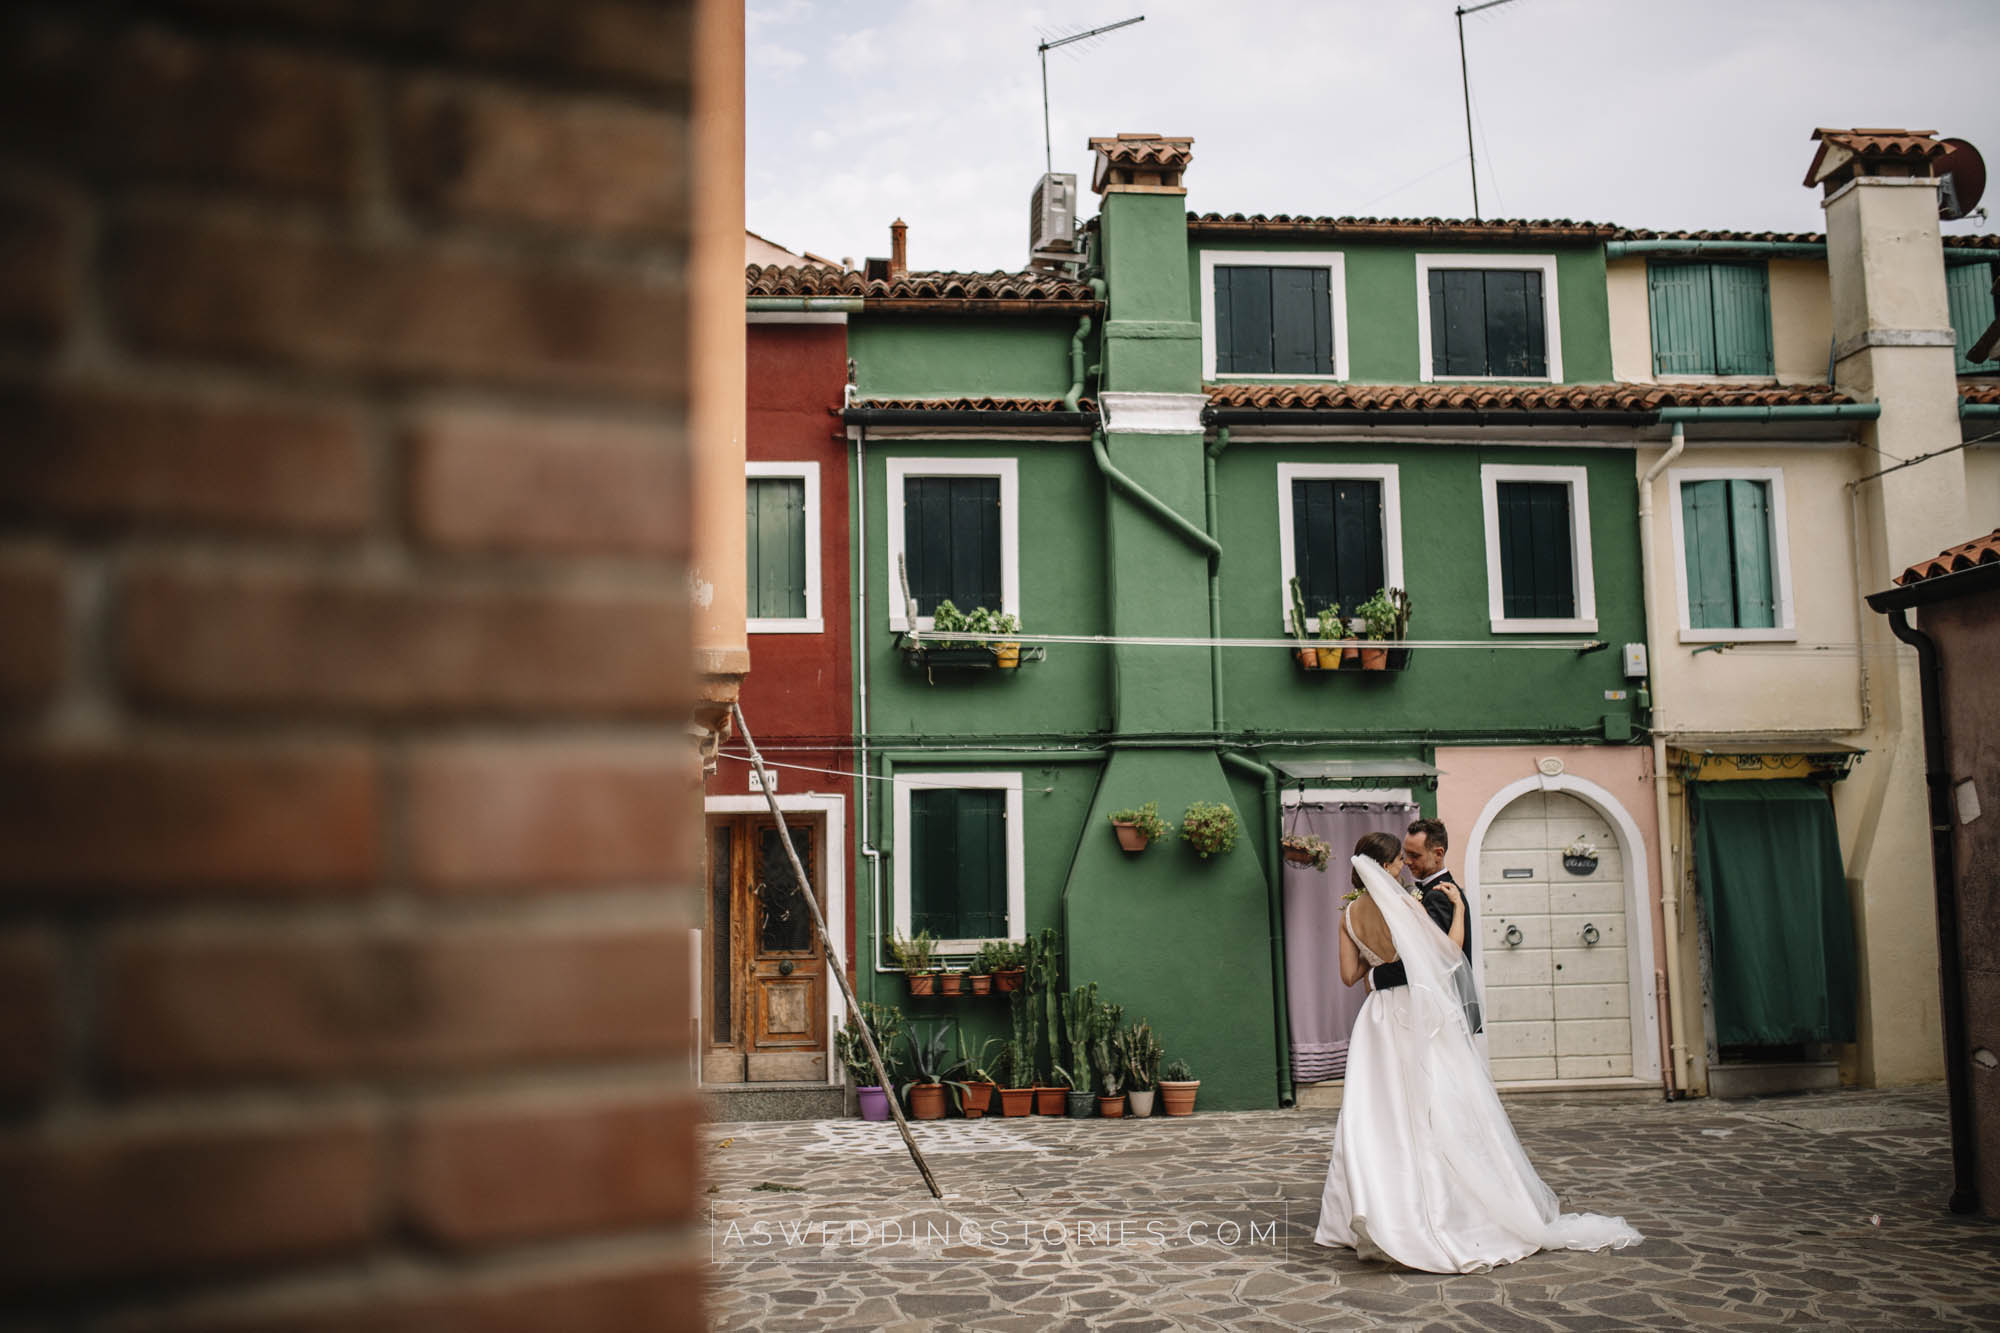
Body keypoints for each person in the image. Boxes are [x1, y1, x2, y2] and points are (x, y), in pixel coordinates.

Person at [1313, 832, 1641, 1273]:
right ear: (1387, 866)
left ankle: (1372, 1208)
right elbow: (1447, 953)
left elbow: (1351, 976)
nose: (1403, 868)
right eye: (1398, 862)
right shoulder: (1407, 905)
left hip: (1377, 1021)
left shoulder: (1349, 914)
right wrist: (1461, 911)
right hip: (1416, 1012)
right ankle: (1441, 1211)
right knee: (1436, 1105)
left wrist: (1376, 971)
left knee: (1378, 1113)